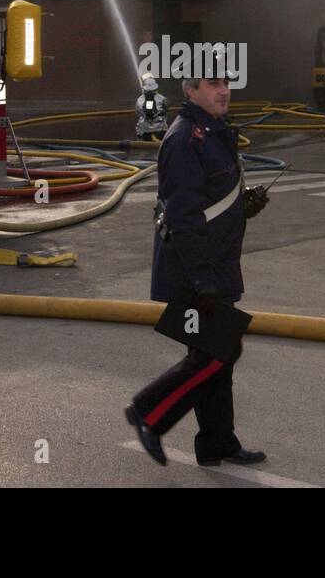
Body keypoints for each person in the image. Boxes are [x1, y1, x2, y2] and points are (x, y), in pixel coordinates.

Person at [125, 62, 270, 468]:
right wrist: (203, 279)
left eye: (226, 83)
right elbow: (184, 216)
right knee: (215, 354)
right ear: (191, 91)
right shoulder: (185, 139)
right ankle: (148, 413)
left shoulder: (214, 133)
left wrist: (245, 208)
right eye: (213, 84)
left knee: (215, 354)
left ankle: (216, 444)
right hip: (195, 269)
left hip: (216, 263)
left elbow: (210, 202)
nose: (223, 90)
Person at [134, 71, 169, 140]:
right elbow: (166, 111)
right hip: (160, 132)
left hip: (145, 132)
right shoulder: (162, 99)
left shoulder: (139, 100)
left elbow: (138, 114)